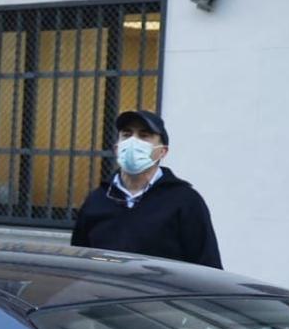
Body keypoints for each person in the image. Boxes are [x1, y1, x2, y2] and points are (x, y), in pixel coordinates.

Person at [71, 110, 222, 268]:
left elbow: (208, 265)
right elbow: (79, 262)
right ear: (116, 148)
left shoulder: (184, 201)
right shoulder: (97, 200)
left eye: (144, 136)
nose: (133, 142)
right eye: (127, 134)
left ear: (162, 151)